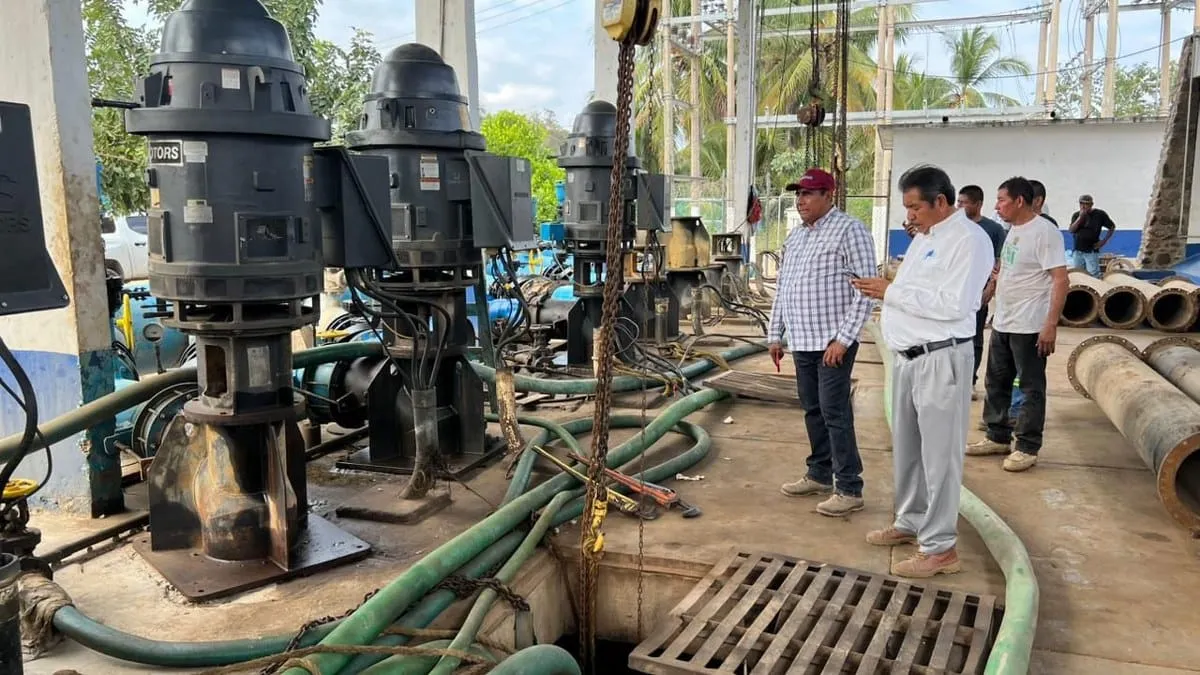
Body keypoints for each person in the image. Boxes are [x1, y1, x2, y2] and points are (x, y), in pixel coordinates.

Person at [851, 165, 993, 578]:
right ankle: (910, 521)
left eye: (915, 207)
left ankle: (940, 548)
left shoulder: (970, 241)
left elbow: (954, 304)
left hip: (941, 359)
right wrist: (888, 290)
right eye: (907, 207)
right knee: (909, 449)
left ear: (941, 202)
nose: (909, 215)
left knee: (939, 456)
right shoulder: (926, 240)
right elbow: (914, 295)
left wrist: (890, 290)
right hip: (909, 358)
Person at [768, 168, 878, 518]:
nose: (801, 200)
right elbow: (783, 289)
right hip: (801, 340)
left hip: (832, 343)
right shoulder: (796, 237)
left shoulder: (850, 230)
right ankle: (819, 472)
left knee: (835, 412)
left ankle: (849, 487)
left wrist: (843, 340)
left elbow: (866, 291)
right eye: (798, 194)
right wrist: (775, 333)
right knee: (813, 409)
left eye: (809, 193)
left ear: (829, 196)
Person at [968, 177, 1069, 473]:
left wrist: (1050, 325)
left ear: (1020, 201)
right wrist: (989, 296)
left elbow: (1061, 280)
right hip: (1004, 321)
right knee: (996, 382)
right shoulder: (1012, 231)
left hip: (1030, 325)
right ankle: (997, 436)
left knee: (1029, 387)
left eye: (1001, 200)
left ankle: (1026, 446)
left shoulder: (1044, 232)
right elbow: (1007, 271)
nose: (997, 206)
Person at [956, 185, 1005, 399]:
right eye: (958, 202)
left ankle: (970, 381)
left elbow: (999, 262)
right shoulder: (955, 228)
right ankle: (954, 381)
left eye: (964, 202)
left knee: (974, 339)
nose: (959, 206)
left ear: (977, 204)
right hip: (956, 292)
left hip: (979, 293)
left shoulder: (993, 229)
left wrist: (990, 288)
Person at [1067, 195, 1115, 276]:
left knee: (1093, 275)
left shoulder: (1100, 214)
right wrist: (1080, 217)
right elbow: (1071, 230)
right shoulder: (1076, 215)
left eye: (1086, 204)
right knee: (1078, 274)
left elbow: (1112, 227)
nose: (1083, 206)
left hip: (1091, 250)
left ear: (1091, 204)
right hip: (1078, 250)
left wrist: (1104, 241)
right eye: (1081, 203)